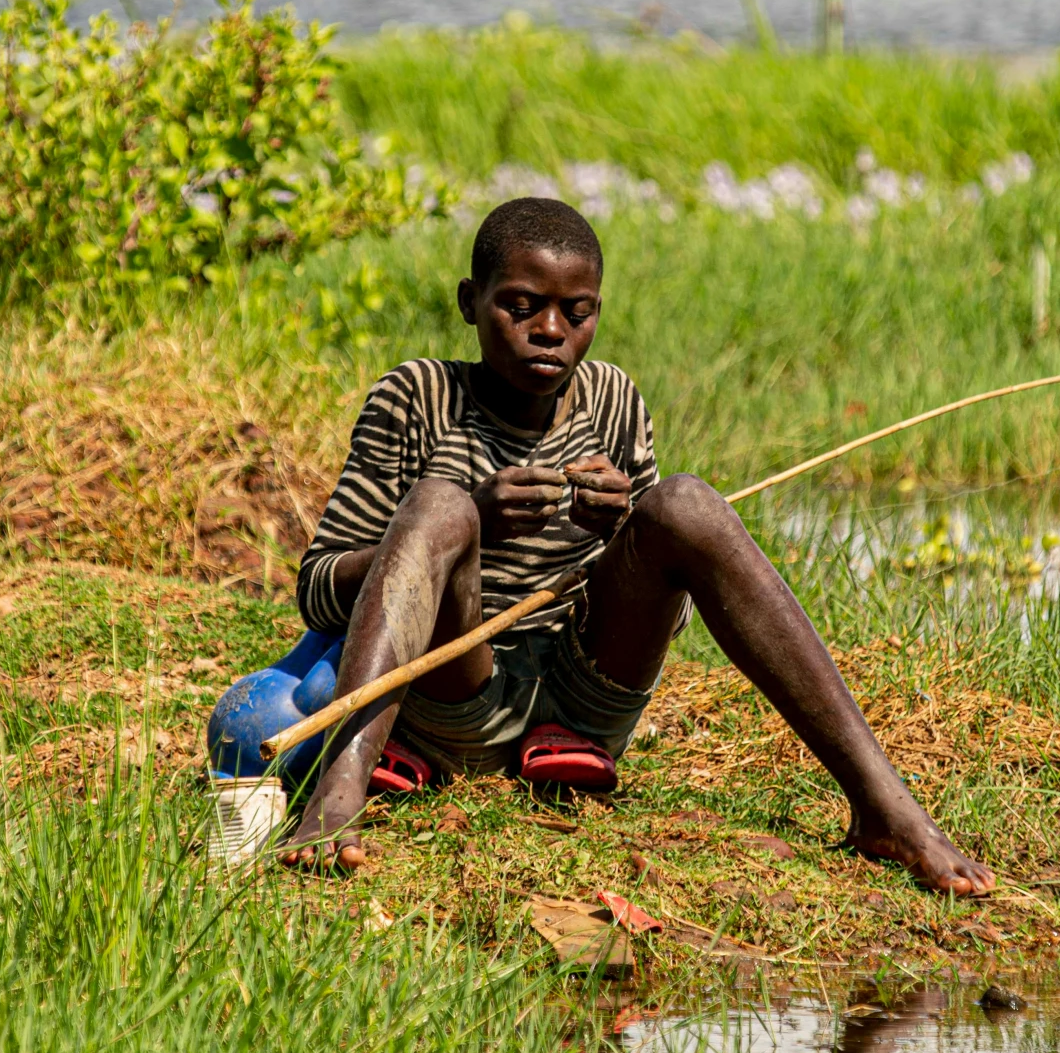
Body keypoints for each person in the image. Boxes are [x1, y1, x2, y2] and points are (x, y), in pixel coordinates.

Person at [278, 195, 993, 896]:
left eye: (576, 312)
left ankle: (885, 807)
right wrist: (473, 521)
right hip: (453, 690)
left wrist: (620, 530)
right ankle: (337, 797)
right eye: (520, 306)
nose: (550, 330)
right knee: (438, 503)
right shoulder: (417, 396)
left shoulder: (614, 399)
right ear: (470, 301)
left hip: (581, 712)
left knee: (683, 501)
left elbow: (668, 613)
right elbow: (319, 589)